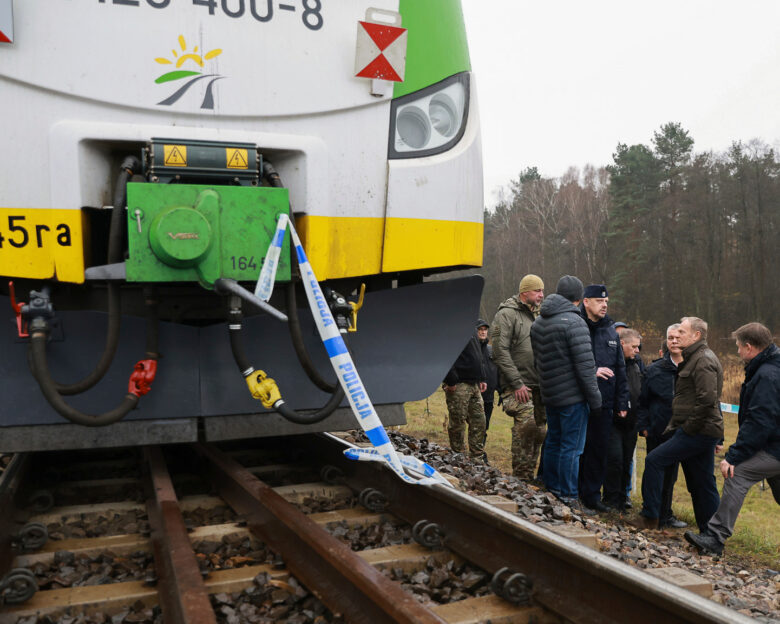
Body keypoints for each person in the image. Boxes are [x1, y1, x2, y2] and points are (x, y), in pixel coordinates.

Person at [685, 323, 780, 555]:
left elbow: (760, 421)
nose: (737, 352)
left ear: (749, 347)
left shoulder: (767, 375)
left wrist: (734, 456)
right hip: (774, 444)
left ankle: (715, 538)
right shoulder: (769, 367)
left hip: (774, 447)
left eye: (738, 347)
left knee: (736, 473)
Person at [639, 317, 723, 531]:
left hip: (698, 431)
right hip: (699, 429)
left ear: (696, 335)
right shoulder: (694, 357)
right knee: (701, 483)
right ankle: (710, 534)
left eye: (683, 332)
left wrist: (687, 428)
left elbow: (707, 400)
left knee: (655, 460)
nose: (677, 337)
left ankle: (650, 518)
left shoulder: (703, 359)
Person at [530, 276, 601, 511]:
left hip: (550, 394)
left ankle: (551, 488)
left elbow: (538, 362)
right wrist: (595, 399)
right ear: (579, 299)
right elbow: (585, 366)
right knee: (572, 448)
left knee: (554, 442)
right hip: (573, 397)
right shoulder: (575, 323)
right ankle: (569, 496)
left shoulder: (538, 323)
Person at [578, 285, 629, 512]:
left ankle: (592, 496)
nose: (604, 305)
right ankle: (572, 492)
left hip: (605, 402)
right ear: (586, 301)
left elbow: (620, 367)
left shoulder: (610, 330)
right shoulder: (577, 325)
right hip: (579, 399)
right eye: (599, 301)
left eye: (606, 301)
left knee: (599, 450)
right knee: (578, 448)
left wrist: (621, 401)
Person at [491, 275, 547, 479]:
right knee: (526, 427)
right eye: (537, 291)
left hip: (539, 385)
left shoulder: (541, 315)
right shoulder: (507, 314)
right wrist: (516, 383)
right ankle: (521, 478)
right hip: (517, 385)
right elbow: (499, 351)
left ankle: (529, 477)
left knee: (540, 432)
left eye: (542, 290)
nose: (541, 295)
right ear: (525, 292)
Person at [636, 325, 688, 528]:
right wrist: (644, 426)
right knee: (654, 473)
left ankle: (665, 515)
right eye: (670, 338)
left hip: (683, 432)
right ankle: (650, 513)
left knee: (671, 476)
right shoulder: (654, 370)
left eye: (677, 337)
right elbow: (643, 401)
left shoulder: (693, 367)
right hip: (658, 430)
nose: (674, 341)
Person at [443, 326, 487, 461]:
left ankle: (477, 458)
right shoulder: (450, 326)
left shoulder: (469, 325)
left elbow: (477, 354)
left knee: (479, 421)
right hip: (458, 384)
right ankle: (459, 457)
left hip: (474, 384)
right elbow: (444, 353)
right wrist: (451, 380)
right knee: (458, 422)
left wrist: (482, 377)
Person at [476, 319, 499, 444]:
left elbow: (497, 371)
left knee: (484, 425)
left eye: (485, 329)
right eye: (480, 329)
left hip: (488, 396)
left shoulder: (491, 350)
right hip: (472, 393)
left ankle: (480, 450)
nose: (483, 332)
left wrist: (501, 389)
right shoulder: (470, 348)